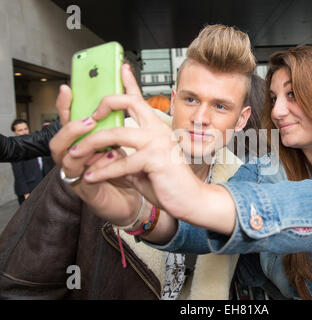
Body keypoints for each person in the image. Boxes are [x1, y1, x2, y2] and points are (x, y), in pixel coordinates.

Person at [52, 45, 312, 300]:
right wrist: (138, 213)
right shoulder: (265, 166)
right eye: (273, 98)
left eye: (294, 94)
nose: (279, 111)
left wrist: (196, 196)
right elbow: (200, 229)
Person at [0, 24, 255, 300]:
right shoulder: (97, 165)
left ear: (241, 120)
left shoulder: (244, 187)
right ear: (173, 100)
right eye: (191, 99)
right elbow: (22, 287)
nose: (201, 118)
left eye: (220, 106)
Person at [9, 119, 45, 204]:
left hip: (39, 186)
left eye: (26, 129)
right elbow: (18, 174)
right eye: (20, 130)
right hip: (28, 190)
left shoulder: (32, 143)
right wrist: (26, 193)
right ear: (14, 132)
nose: (24, 132)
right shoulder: (14, 148)